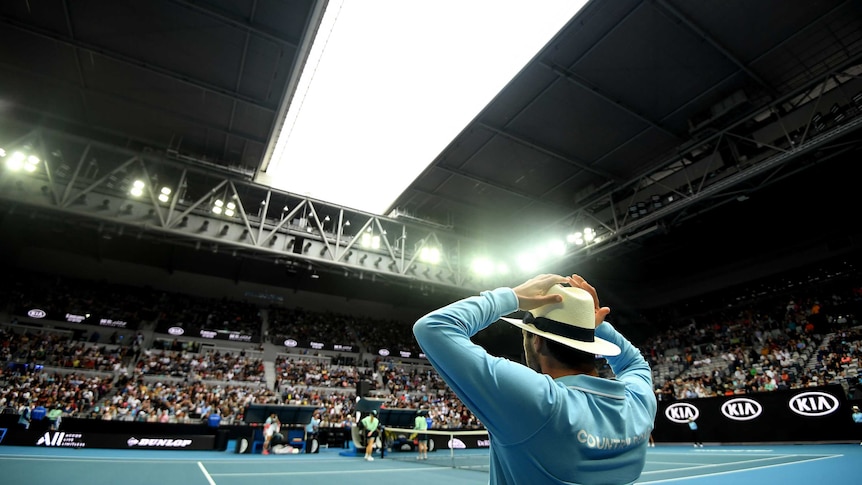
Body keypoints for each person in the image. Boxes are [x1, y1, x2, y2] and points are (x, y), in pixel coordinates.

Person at [413, 273, 657, 485]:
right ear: (591, 344)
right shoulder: (638, 401)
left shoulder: (541, 401)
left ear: (537, 341)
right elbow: (633, 363)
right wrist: (588, 326)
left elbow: (434, 327)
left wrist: (513, 297)